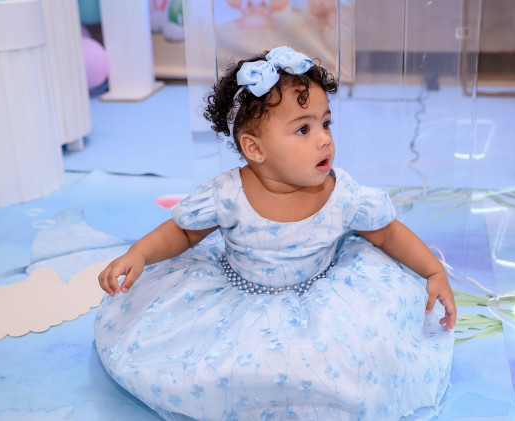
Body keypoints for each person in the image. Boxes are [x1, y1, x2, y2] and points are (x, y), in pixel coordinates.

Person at [95, 46, 456, 421]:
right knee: (225, 370)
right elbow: (183, 234)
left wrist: (433, 271)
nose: (324, 139)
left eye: (326, 123)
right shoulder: (228, 194)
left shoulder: (341, 196)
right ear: (255, 148)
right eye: (303, 129)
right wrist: (139, 253)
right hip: (238, 298)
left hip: (323, 299)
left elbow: (386, 234)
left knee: (351, 355)